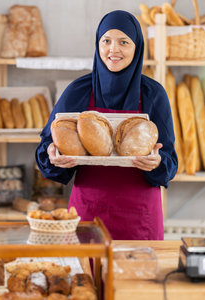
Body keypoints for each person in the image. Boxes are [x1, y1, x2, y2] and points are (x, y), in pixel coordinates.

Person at [35, 10, 178, 240]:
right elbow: (47, 148)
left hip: (139, 219)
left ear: (137, 47)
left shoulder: (153, 94)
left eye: (124, 42)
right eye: (106, 41)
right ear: (97, 44)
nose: (114, 49)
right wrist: (53, 156)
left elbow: (170, 162)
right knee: (87, 277)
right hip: (88, 215)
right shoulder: (78, 91)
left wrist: (158, 162)